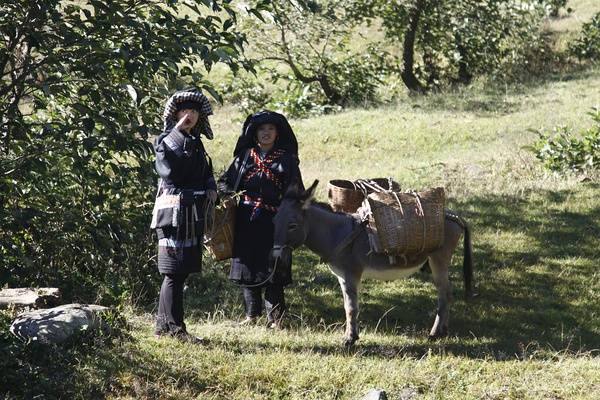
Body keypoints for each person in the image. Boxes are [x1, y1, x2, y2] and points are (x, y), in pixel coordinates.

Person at [220, 110, 303, 329]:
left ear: (277, 133)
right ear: (254, 133)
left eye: (270, 129)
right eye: (261, 129)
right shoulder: (245, 158)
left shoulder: (287, 160)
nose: (266, 133)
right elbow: (225, 183)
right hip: (246, 219)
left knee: (274, 267)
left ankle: (276, 319)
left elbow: (295, 193)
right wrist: (226, 197)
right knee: (249, 267)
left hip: (275, 221)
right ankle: (251, 316)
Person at [150, 88, 217, 342]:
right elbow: (170, 173)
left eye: (194, 111)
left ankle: (164, 326)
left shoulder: (197, 143)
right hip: (172, 215)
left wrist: (211, 188)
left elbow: (205, 172)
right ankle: (175, 329)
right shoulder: (165, 141)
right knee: (173, 271)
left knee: (180, 272)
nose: (189, 115)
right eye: (184, 111)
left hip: (191, 215)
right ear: (175, 114)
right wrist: (177, 132)